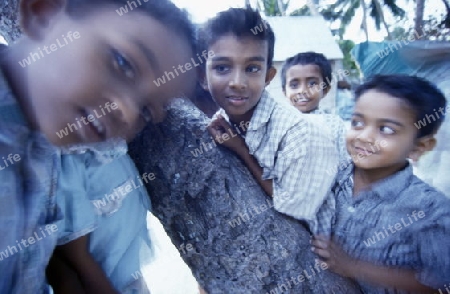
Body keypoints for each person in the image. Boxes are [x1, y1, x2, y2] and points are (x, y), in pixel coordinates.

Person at [0, 0, 197, 292]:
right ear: (43, 12)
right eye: (122, 62)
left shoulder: (44, 153)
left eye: (145, 110)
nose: (128, 113)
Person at [200, 7, 338, 235]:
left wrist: (242, 150)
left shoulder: (300, 133)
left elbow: (294, 207)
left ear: (268, 77)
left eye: (252, 68)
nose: (237, 82)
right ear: (202, 78)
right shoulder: (221, 120)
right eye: (222, 67)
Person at [312, 75, 450, 293]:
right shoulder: (330, 176)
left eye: (386, 129)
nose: (364, 136)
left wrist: (355, 267)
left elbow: (441, 285)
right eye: (357, 122)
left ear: (420, 146)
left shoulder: (431, 210)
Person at [281, 51, 348, 163]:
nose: (302, 91)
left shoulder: (333, 125)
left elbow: (344, 163)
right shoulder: (279, 124)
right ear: (284, 92)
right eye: (294, 85)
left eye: (312, 84)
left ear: (325, 90)